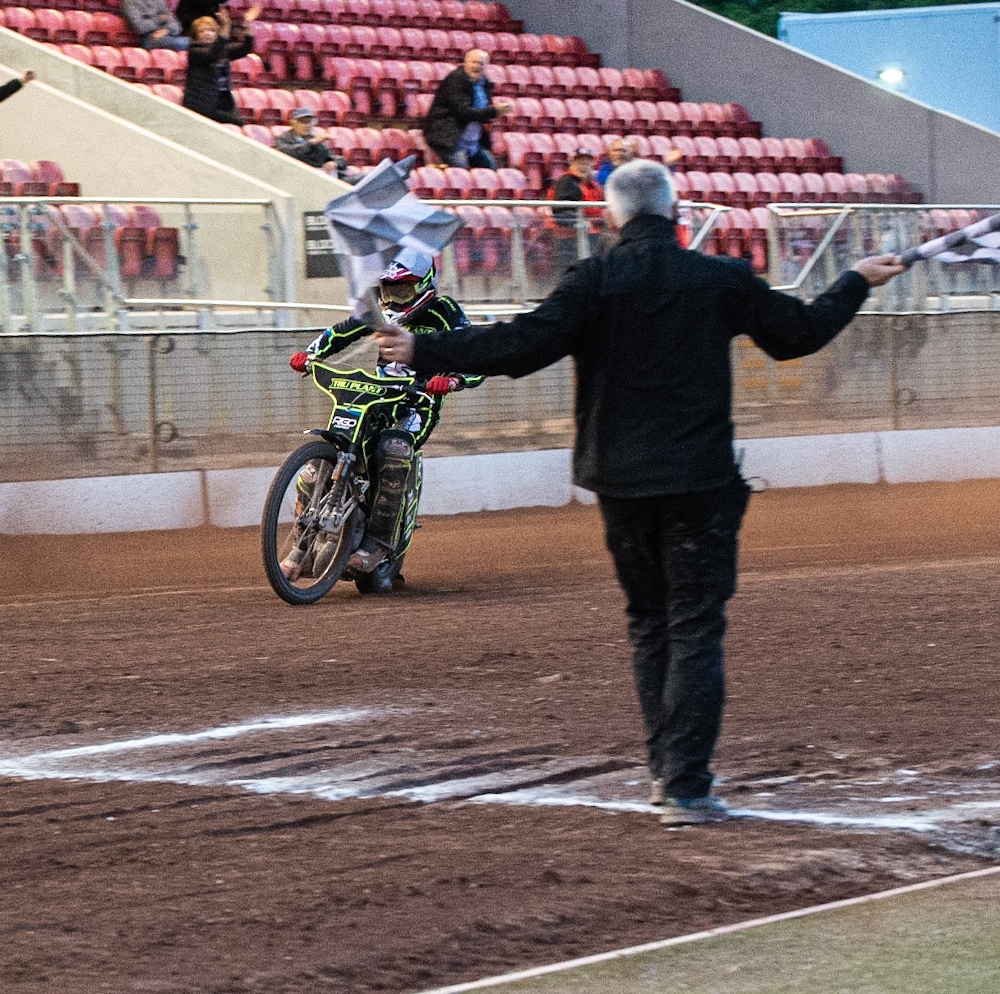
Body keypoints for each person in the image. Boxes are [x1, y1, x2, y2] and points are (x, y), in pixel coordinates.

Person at [373, 159, 908, 825]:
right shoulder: (719, 278)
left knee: (648, 623)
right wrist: (855, 280)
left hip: (619, 481)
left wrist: (421, 351)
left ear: (609, 215)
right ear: (675, 212)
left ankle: (665, 773)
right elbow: (798, 334)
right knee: (694, 626)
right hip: (701, 482)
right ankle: (683, 784)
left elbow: (520, 345)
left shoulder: (592, 279)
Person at [286, 249, 483, 592]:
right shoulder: (378, 311)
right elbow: (343, 330)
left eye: (403, 290)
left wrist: (453, 380)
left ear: (425, 284)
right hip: (376, 398)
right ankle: (300, 542)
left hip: (417, 404)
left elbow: (475, 354)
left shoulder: (446, 312)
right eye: (387, 290)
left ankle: (377, 544)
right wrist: (312, 353)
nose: (392, 298)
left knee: (393, 447)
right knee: (326, 451)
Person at [423, 49, 511, 170]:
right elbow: (463, 112)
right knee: (461, 170)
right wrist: (494, 112)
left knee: (491, 169)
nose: (476, 66)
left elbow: (484, 111)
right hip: (448, 138)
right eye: (473, 62)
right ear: (465, 62)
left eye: (480, 63)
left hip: (472, 141)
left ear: (486, 66)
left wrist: (496, 112)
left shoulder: (485, 83)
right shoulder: (455, 80)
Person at [182, 8, 258, 127]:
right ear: (196, 35)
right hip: (202, 104)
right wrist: (225, 27)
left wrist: (247, 26)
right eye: (202, 31)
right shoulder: (195, 51)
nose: (207, 33)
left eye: (211, 30)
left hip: (223, 101)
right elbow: (213, 55)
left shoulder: (222, 50)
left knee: (241, 125)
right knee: (238, 124)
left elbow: (245, 49)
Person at [548, 148, 604, 261]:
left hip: (590, 237)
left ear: (592, 165)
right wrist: (580, 222)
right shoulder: (568, 181)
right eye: (579, 162)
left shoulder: (595, 187)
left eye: (586, 163)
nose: (583, 166)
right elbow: (562, 211)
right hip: (569, 239)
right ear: (571, 164)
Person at [122, 0, 187, 51]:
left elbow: (176, 26)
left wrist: (166, 30)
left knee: (194, 42)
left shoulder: (160, 1)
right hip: (149, 39)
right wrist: (159, 19)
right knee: (186, 44)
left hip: (167, 36)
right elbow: (140, 26)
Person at [273, 107, 347, 177]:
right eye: (303, 122)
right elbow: (286, 152)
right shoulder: (283, 139)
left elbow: (335, 157)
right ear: (293, 123)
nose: (307, 125)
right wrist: (310, 143)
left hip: (322, 176)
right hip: (298, 176)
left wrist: (335, 163)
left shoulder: (314, 139)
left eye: (310, 122)